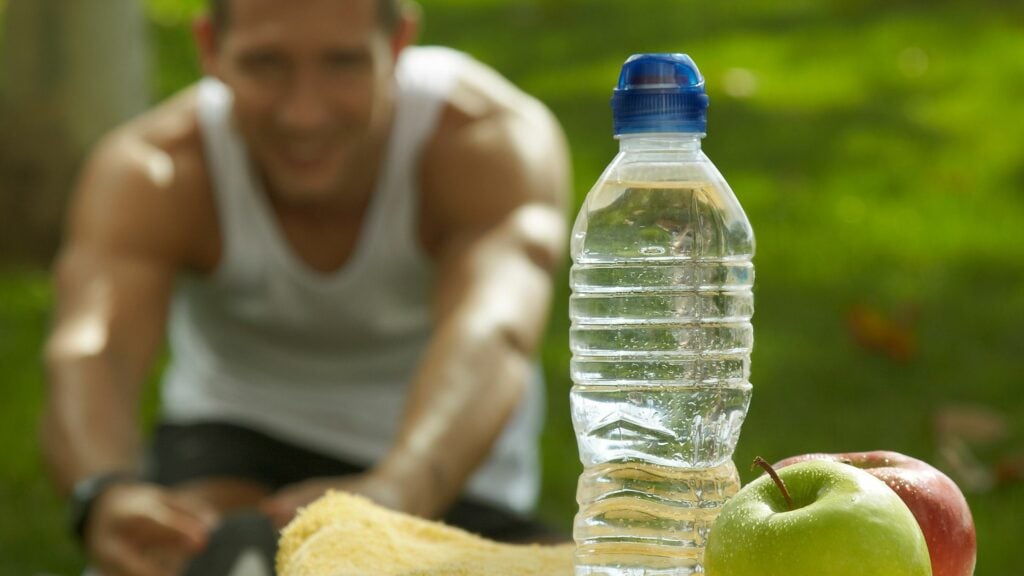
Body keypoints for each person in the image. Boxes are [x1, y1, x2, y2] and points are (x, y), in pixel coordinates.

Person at [40, 0, 571, 574]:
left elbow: (492, 336)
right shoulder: (156, 168)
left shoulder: (487, 142)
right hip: (232, 442)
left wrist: (395, 491)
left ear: (397, 45)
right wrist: (106, 491)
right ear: (210, 49)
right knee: (213, 558)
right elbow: (96, 349)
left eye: (342, 63)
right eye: (265, 63)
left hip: (440, 469)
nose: (303, 114)